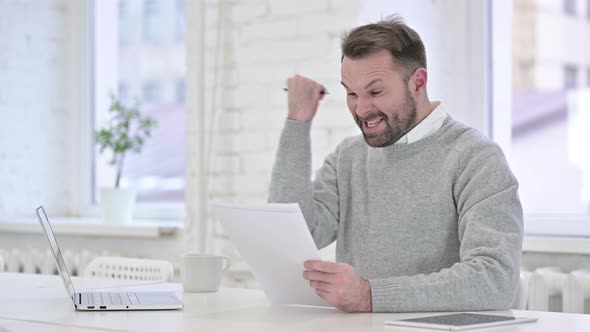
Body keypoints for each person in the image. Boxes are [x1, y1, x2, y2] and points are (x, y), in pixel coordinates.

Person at [268, 16, 523, 313]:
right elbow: (294, 234)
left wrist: (371, 295)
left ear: (418, 82)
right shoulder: (349, 156)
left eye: (375, 92)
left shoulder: (475, 158)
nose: (361, 109)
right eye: (351, 93)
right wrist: (298, 123)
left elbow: (495, 281)